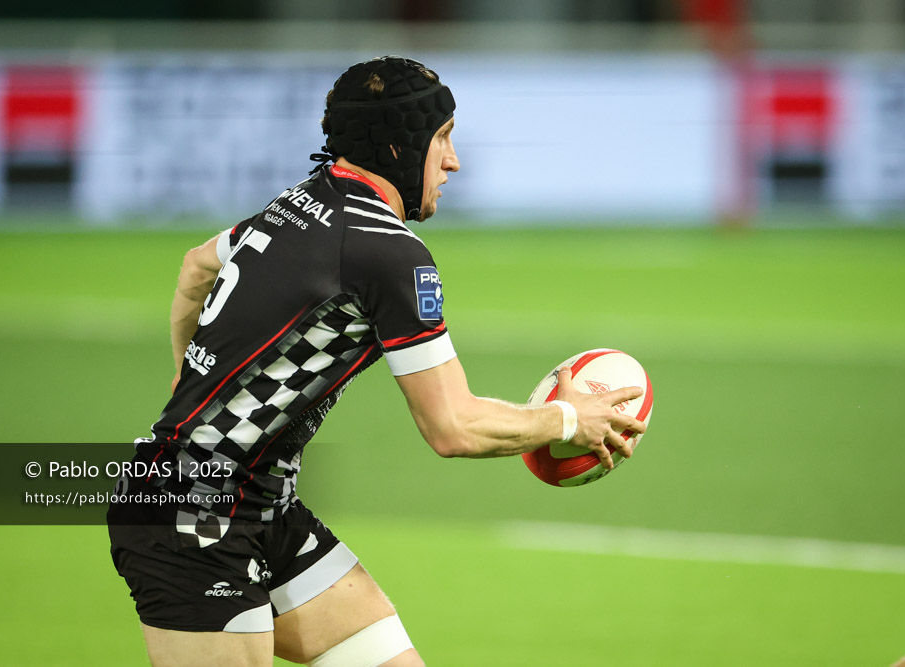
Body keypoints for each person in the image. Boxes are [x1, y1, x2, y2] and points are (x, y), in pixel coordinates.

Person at [107, 55, 646, 667]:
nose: (453, 161)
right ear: (401, 145)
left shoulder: (301, 201)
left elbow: (195, 268)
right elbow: (452, 427)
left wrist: (192, 377)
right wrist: (568, 421)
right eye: (442, 139)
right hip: (192, 512)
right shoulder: (389, 253)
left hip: (259, 503)